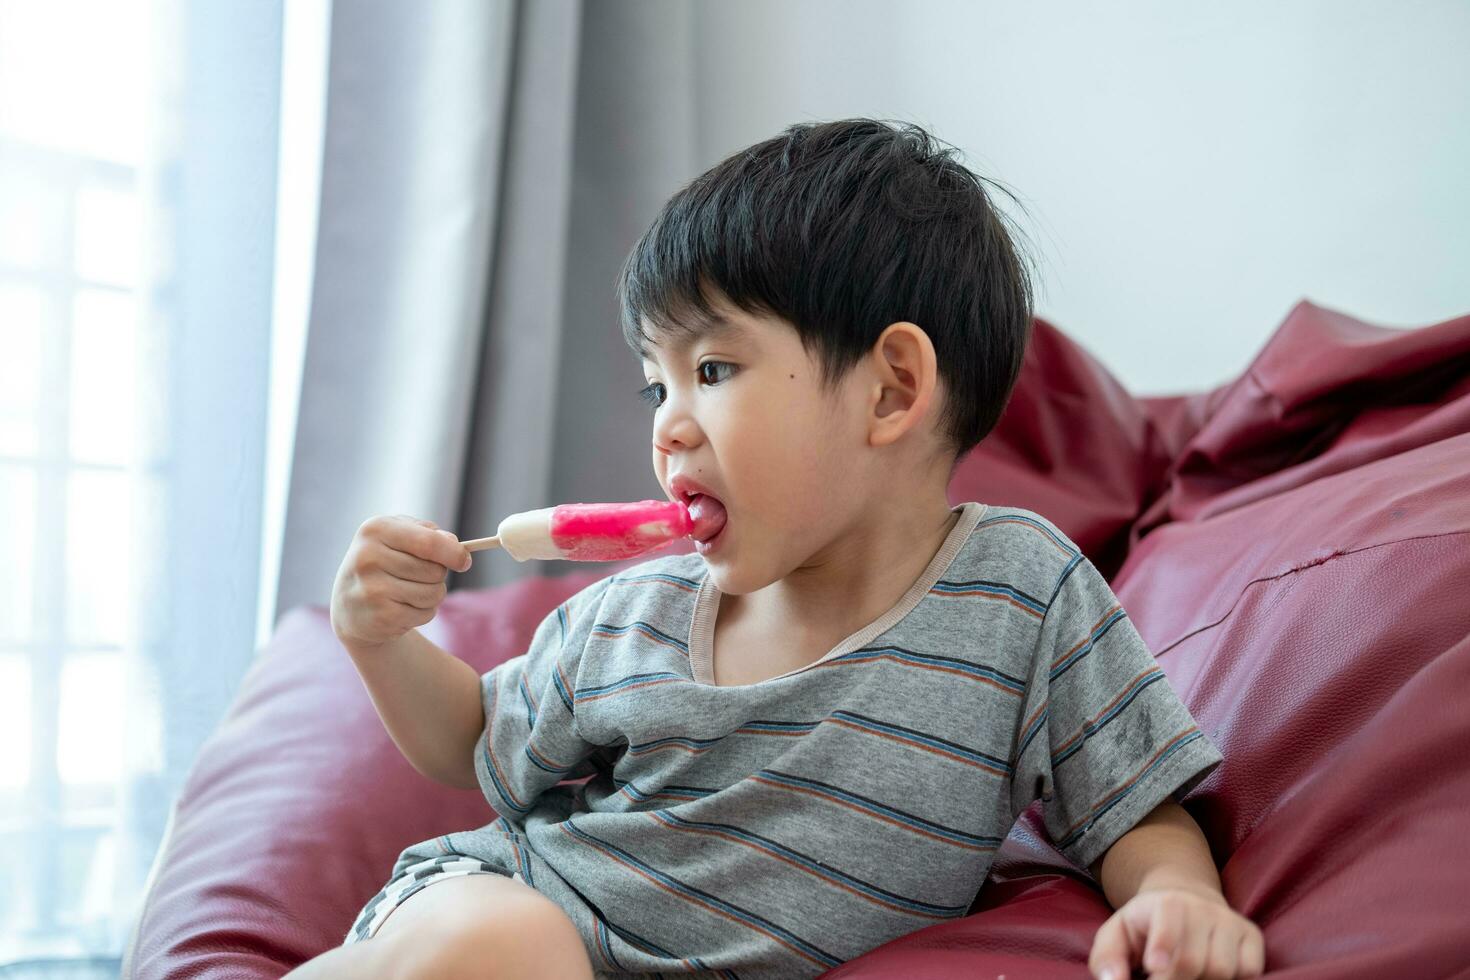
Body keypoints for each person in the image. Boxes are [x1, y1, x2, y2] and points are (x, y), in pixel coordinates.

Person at [286, 118, 1265, 980]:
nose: (666, 425)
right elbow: (470, 741)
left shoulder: (1021, 597)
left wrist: (1177, 898)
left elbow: (1135, 807)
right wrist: (379, 639)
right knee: (506, 950)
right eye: (653, 386)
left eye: (711, 368)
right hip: (499, 906)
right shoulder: (638, 611)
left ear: (890, 388)